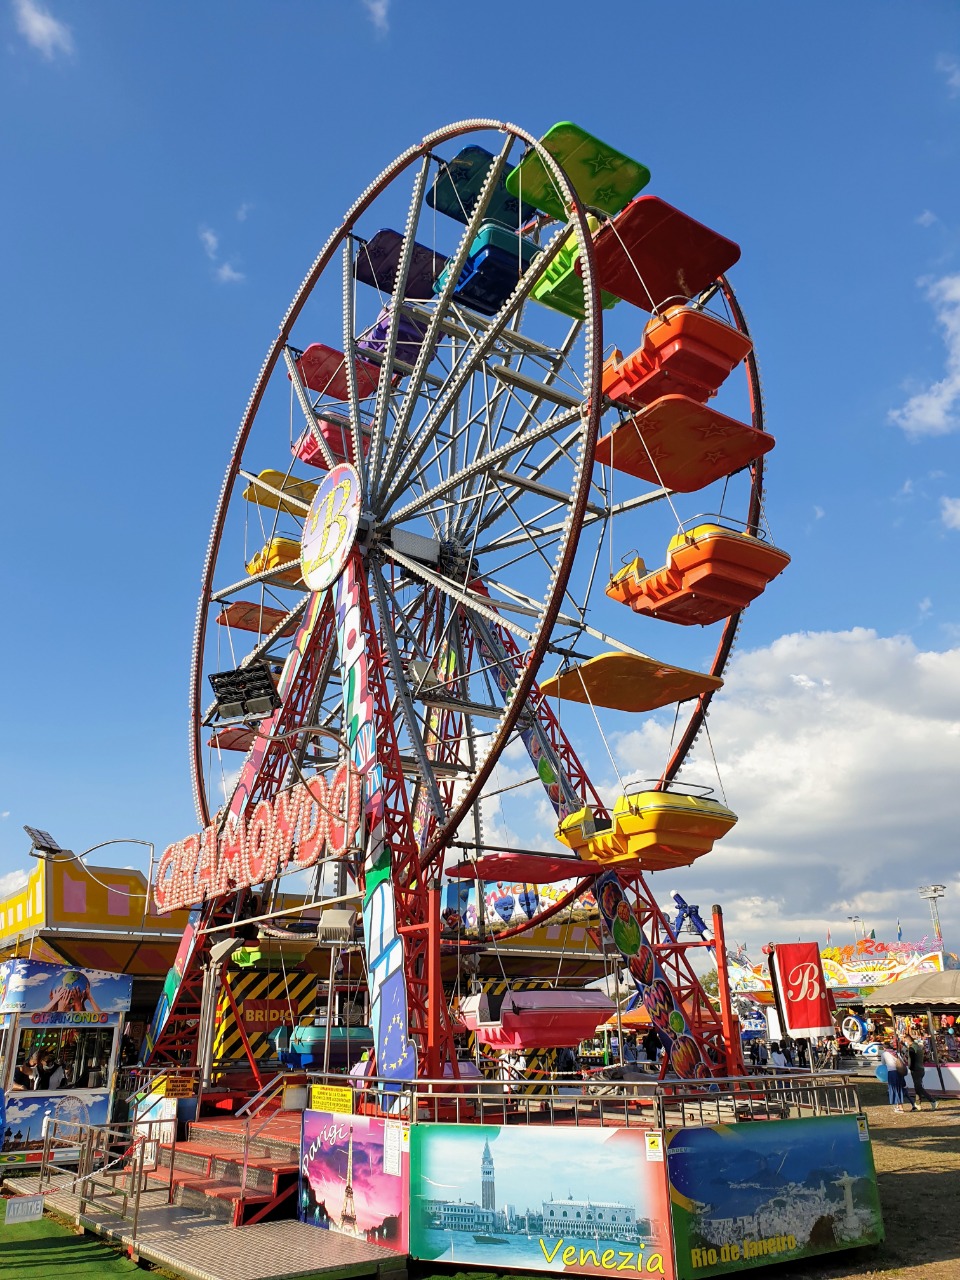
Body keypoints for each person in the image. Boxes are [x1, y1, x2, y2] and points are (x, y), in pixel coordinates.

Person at [903, 1035, 938, 1111]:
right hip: (921, 1069)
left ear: (907, 1040)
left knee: (919, 1087)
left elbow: (911, 1060)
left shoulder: (912, 1048)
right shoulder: (918, 1046)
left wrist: (910, 1068)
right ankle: (917, 1104)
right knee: (917, 1087)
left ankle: (932, 1100)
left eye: (905, 1041)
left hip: (916, 1070)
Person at [881, 1041, 911, 1113]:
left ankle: (900, 1108)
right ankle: (899, 1106)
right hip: (899, 1072)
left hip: (892, 1073)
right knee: (899, 1088)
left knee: (894, 1089)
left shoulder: (884, 1054)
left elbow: (883, 1063)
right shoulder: (896, 1053)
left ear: (884, 1048)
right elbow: (903, 1062)